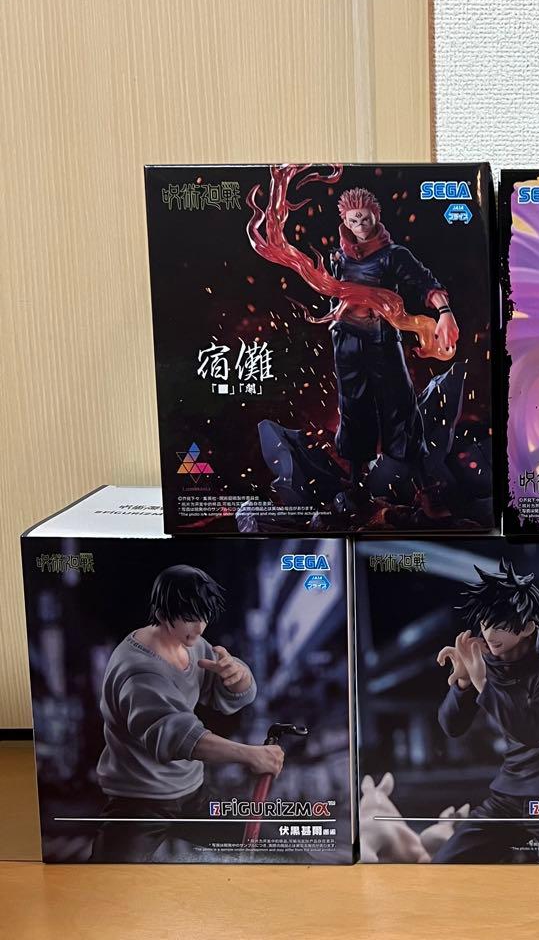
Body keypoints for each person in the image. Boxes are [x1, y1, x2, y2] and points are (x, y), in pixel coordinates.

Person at [91, 565, 281, 862]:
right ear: (163, 612)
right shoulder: (140, 671)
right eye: (191, 618)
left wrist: (238, 677)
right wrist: (250, 755)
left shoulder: (191, 645)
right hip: (140, 801)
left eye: (204, 617)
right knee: (108, 878)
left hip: (192, 793)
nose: (201, 627)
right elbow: (180, 738)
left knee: (276, 845)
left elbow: (225, 696)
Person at [431, 559, 539, 863]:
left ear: (527, 626)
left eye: (500, 625)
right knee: (446, 865)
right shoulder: (488, 661)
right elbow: (451, 727)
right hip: (508, 796)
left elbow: (534, 732)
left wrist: (482, 683)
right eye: (485, 623)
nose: (489, 634)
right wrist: (463, 683)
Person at [328, 186, 459, 516]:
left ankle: (425, 488)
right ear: (344, 220)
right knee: (353, 407)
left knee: (402, 407)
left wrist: (445, 313)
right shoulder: (339, 256)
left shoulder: (393, 255)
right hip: (346, 342)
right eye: (353, 220)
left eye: (364, 218)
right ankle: (355, 485)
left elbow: (425, 283)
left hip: (383, 340)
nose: (359, 225)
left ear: (376, 217)